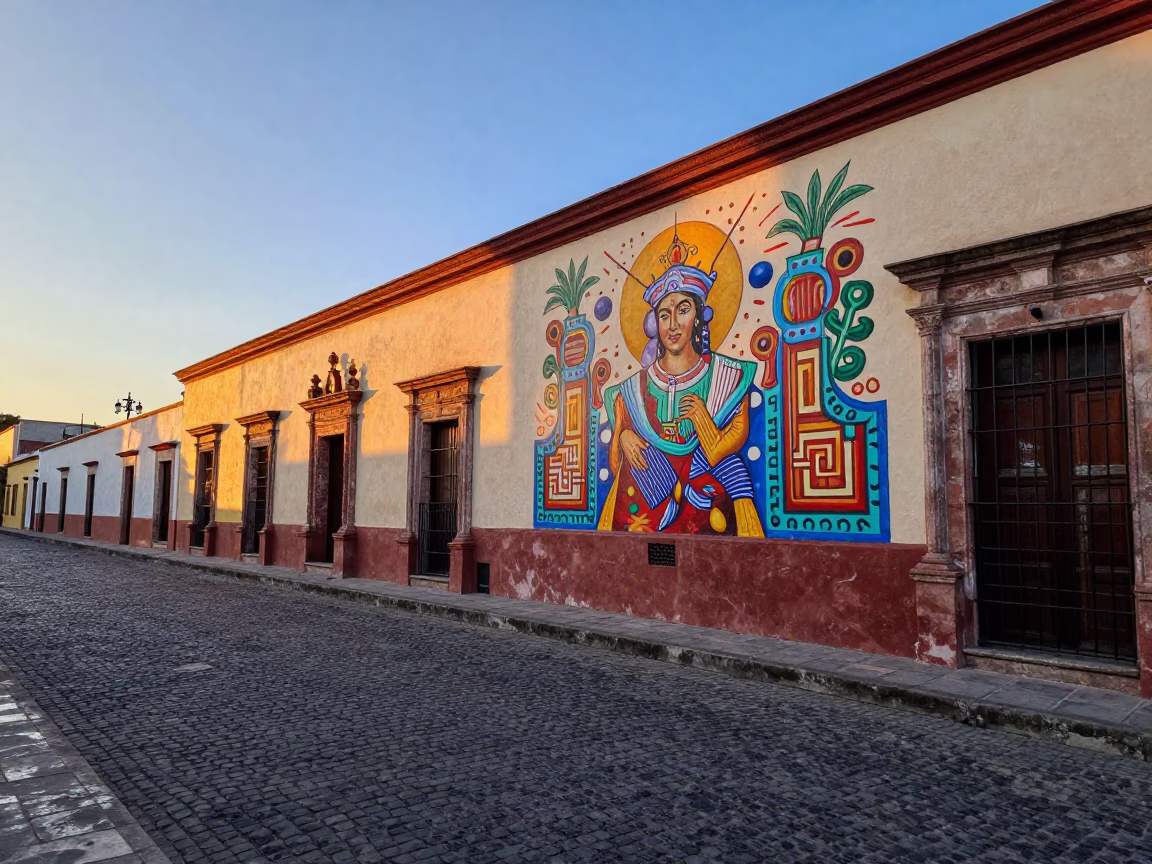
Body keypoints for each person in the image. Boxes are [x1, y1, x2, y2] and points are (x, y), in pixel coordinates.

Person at [598, 264, 765, 536]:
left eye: (683, 310)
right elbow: (618, 469)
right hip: (641, 522)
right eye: (664, 315)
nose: (673, 324)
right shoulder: (631, 391)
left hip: (708, 521)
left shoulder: (729, 377)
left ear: (698, 316)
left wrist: (702, 418)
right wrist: (622, 433)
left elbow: (719, 452)